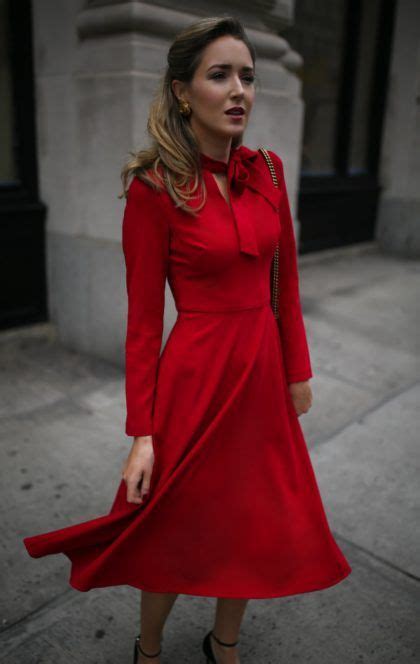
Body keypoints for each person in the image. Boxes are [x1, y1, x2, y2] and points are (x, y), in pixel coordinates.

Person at [23, 15, 352, 664]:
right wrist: (142, 433)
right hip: (195, 379)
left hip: (259, 377)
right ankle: (148, 650)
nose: (239, 92)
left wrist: (298, 371)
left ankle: (222, 646)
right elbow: (143, 323)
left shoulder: (272, 173)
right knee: (170, 528)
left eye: (248, 78)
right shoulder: (153, 189)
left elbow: (284, 283)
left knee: (251, 523)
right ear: (182, 91)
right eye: (220, 75)